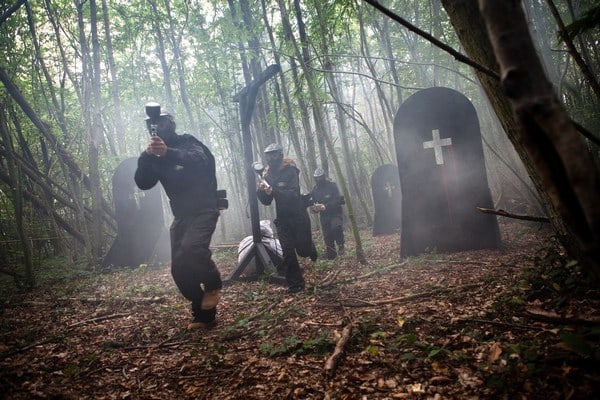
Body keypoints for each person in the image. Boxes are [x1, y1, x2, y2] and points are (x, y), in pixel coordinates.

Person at [134, 105, 222, 330]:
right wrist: (146, 156)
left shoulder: (187, 142)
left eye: (162, 123)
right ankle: (204, 315)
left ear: (170, 124)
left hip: (204, 209)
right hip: (181, 215)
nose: (157, 128)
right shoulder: (152, 157)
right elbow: (143, 182)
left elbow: (200, 160)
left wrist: (168, 153)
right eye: (152, 125)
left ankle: (213, 283)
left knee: (193, 248)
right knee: (180, 270)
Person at [257, 143, 317, 293]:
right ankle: (296, 284)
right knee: (288, 252)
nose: (271, 158)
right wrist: (262, 191)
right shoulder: (268, 175)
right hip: (283, 219)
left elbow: (292, 194)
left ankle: (310, 246)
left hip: (298, 216)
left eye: (274, 154)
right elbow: (266, 201)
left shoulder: (291, 171)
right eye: (268, 155)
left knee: (303, 251)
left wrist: (274, 191)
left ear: (280, 155)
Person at [309, 168, 345, 259]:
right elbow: (312, 204)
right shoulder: (315, 190)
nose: (318, 180)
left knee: (336, 227)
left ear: (323, 177)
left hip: (335, 212)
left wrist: (326, 206)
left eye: (320, 178)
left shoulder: (332, 186)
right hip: (324, 216)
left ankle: (341, 245)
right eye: (316, 178)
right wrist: (315, 209)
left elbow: (338, 199)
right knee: (327, 236)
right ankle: (332, 256)